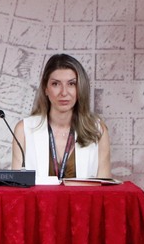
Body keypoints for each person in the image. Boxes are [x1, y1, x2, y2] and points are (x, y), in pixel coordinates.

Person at [12, 53, 112, 184]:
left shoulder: (97, 130)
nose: (64, 92)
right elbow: (17, 188)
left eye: (71, 84)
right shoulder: (24, 129)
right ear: (45, 89)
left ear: (80, 88)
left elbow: (105, 189)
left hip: (85, 199)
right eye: (55, 84)